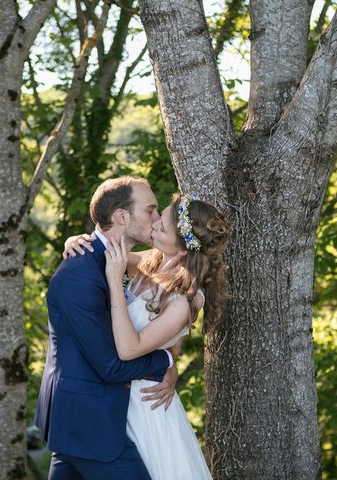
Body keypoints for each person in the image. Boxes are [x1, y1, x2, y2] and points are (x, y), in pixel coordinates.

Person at [65, 192, 231, 480]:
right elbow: (103, 254)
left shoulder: (184, 301)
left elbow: (130, 349)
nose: (153, 224)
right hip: (116, 393)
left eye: (162, 227)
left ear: (182, 250)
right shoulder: (153, 260)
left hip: (145, 406)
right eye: (158, 216)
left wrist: (116, 282)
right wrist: (74, 242)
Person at [34, 176, 181, 480]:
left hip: (92, 419)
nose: (156, 220)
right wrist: (166, 361)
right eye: (150, 211)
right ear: (121, 217)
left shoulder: (113, 260)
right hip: (89, 422)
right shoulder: (81, 275)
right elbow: (110, 366)